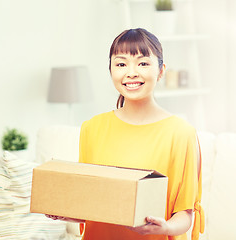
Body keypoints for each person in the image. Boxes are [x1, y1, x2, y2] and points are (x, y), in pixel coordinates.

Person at [46, 28, 204, 240]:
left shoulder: (181, 133)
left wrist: (164, 227)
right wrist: (66, 212)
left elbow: (184, 214)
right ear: (110, 70)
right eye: (121, 64)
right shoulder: (92, 128)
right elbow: (93, 203)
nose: (131, 72)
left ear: (161, 70)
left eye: (143, 63)